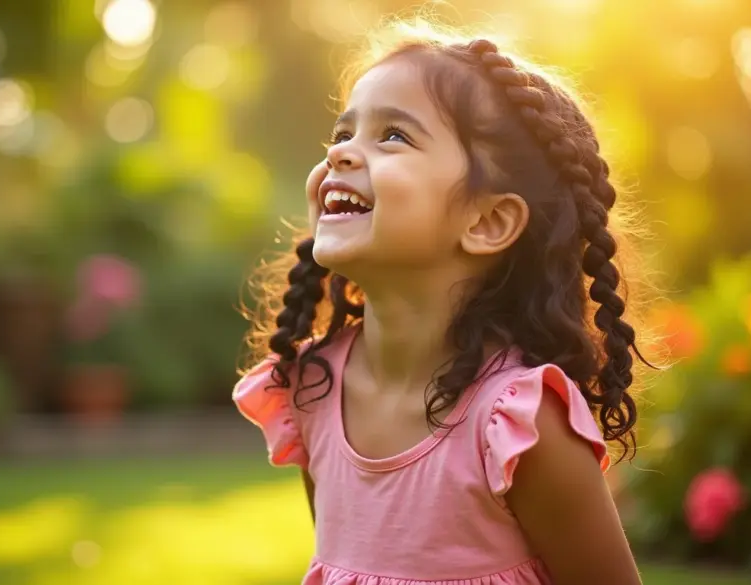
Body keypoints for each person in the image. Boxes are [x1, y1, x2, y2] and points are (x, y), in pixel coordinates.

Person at [232, 20, 651, 585]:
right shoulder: (312, 391)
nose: (342, 155)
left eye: (394, 137)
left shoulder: (517, 425)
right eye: (342, 135)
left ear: (487, 221)